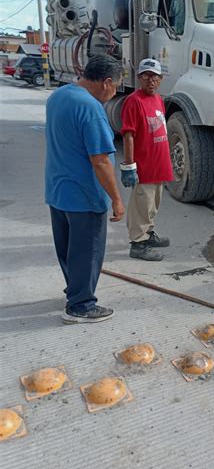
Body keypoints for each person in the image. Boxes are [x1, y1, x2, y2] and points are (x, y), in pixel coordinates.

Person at [45, 55, 125, 324]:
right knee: (88, 252)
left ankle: (75, 290)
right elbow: (100, 160)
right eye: (116, 88)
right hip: (84, 196)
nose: (114, 93)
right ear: (107, 82)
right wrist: (116, 199)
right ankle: (81, 305)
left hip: (58, 192)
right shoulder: (90, 108)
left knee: (69, 249)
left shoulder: (59, 96)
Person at [120, 58, 174, 261]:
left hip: (159, 164)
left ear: (161, 79)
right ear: (139, 77)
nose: (150, 80)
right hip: (144, 166)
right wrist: (129, 165)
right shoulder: (134, 101)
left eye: (154, 76)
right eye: (146, 76)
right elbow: (128, 134)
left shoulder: (158, 99)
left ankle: (149, 234)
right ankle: (138, 243)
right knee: (141, 205)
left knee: (153, 204)